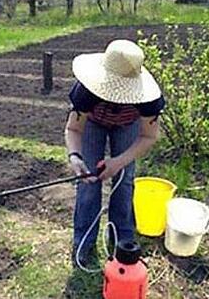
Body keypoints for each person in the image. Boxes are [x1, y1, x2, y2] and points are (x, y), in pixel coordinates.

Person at [64, 39, 165, 267]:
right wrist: (75, 157)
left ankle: (123, 240)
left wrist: (119, 161)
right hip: (93, 124)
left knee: (125, 179)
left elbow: (149, 136)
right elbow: (73, 128)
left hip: (128, 126)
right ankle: (83, 241)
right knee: (88, 180)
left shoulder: (149, 100)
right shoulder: (86, 91)